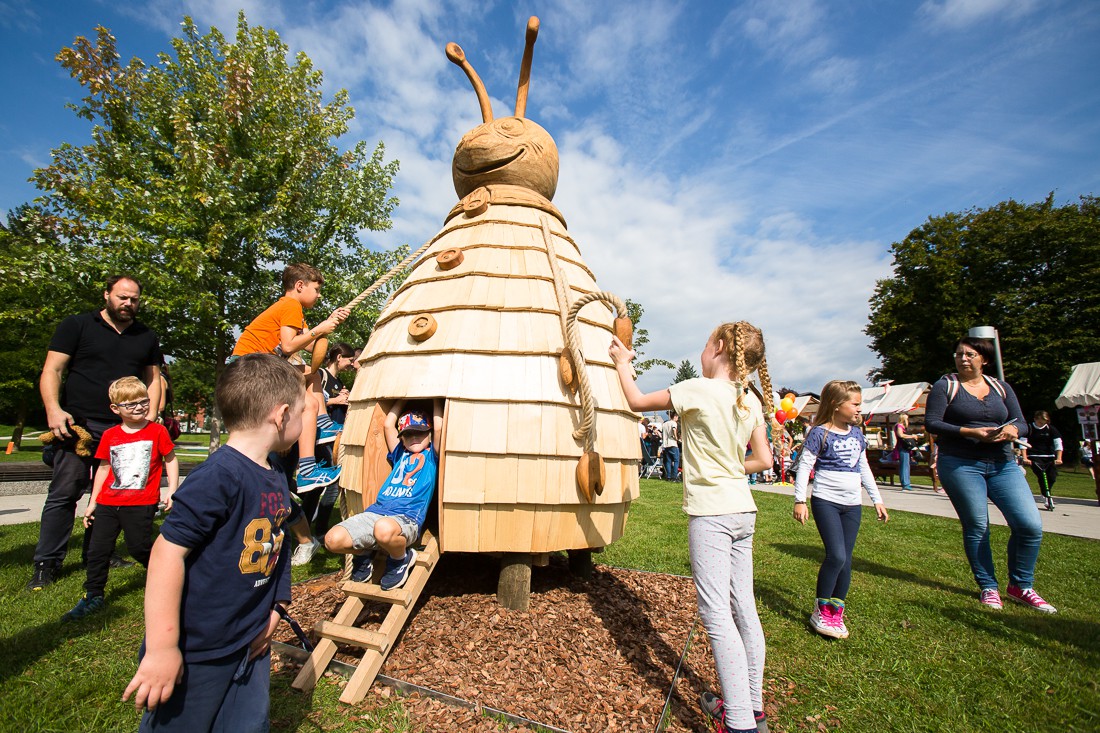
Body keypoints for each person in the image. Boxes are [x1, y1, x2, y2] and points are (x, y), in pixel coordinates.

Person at [610, 322, 774, 733]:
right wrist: (728, 469)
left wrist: (623, 362)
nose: (701, 351)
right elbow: (765, 460)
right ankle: (752, 707)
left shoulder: (696, 389)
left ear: (718, 348)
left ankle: (737, 723)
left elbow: (634, 401)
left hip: (713, 515)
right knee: (745, 610)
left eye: (705, 343)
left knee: (716, 614)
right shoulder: (747, 398)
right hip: (743, 511)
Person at [122, 354, 301, 730]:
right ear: (282, 414)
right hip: (198, 651)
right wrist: (162, 648)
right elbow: (167, 552)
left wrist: (276, 608)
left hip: (251, 642)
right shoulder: (218, 476)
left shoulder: (276, 472)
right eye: (304, 412)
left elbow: (278, 541)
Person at [29, 275, 162, 592]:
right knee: (66, 492)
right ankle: (46, 564)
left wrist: (152, 414)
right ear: (107, 295)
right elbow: (53, 370)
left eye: (134, 299)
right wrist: (52, 408)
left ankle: (99, 554)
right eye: (122, 297)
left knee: (112, 495)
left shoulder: (146, 336)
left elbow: (154, 378)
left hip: (126, 430)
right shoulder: (77, 325)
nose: (128, 303)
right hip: (80, 425)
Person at [924, 337, 1055, 613]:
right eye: (958, 353)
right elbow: (932, 422)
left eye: (970, 354)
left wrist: (1013, 431)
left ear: (983, 359)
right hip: (960, 463)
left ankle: (1021, 585)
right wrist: (970, 432)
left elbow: (1022, 422)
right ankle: (988, 586)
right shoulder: (945, 386)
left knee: (1029, 525)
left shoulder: (1000, 387)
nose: (963, 358)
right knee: (977, 525)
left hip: (1002, 463)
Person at [62, 377, 178, 621]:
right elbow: (103, 469)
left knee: (139, 547)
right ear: (115, 409)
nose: (139, 407)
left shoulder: (157, 431)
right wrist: (93, 502)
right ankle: (93, 594)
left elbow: (170, 459)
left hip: (141, 504)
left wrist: (172, 489)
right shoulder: (109, 435)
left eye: (143, 401)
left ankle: (171, 576)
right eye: (131, 404)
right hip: (107, 503)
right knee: (97, 550)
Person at [231, 263, 350, 491]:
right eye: (316, 289)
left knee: (312, 377)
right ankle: (307, 471)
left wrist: (331, 322)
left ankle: (321, 426)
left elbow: (312, 345)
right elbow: (288, 345)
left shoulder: (294, 311)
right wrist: (320, 328)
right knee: (307, 405)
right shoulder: (290, 306)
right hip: (248, 367)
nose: (319, 294)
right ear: (299, 285)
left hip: (259, 366)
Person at [792, 380, 889, 639]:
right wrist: (800, 500)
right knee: (835, 555)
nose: (859, 409)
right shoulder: (819, 433)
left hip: (852, 504)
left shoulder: (857, 433)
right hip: (825, 500)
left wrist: (876, 498)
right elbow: (804, 466)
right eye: (855, 404)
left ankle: (836, 611)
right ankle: (821, 609)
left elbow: (863, 467)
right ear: (836, 405)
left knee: (846, 559)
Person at [324, 399, 444, 591]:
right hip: (377, 513)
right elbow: (388, 424)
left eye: (420, 433)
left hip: (406, 518)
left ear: (429, 435)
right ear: (402, 438)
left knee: (383, 529)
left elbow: (439, 428)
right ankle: (363, 555)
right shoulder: (399, 453)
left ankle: (400, 558)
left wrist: (437, 400)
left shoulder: (432, 456)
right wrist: (400, 400)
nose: (414, 438)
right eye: (408, 434)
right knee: (332, 540)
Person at [1021, 410, 1063, 511]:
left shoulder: (1051, 429)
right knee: (1041, 474)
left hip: (1049, 456)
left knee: (1052, 477)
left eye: (1044, 421)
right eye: (1040, 421)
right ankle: (1047, 496)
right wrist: (1025, 457)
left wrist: (1059, 458)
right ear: (1035, 419)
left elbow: (1058, 444)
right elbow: (1023, 443)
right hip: (1034, 455)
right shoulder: (1029, 428)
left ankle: (1045, 493)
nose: (1042, 424)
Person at [893, 414, 923, 491]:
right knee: (904, 466)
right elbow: (901, 435)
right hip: (903, 447)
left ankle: (907, 483)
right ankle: (905, 484)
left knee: (906, 465)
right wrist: (912, 436)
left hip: (905, 448)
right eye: (907, 418)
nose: (908, 420)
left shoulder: (902, 426)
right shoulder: (899, 425)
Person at [661, 410, 680, 482]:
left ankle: (668, 476)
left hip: (666, 444)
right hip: (672, 443)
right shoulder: (673, 423)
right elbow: (674, 429)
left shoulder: (665, 424)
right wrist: (676, 437)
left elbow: (661, 433)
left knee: (668, 461)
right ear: (675, 417)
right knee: (676, 460)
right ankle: (674, 476)